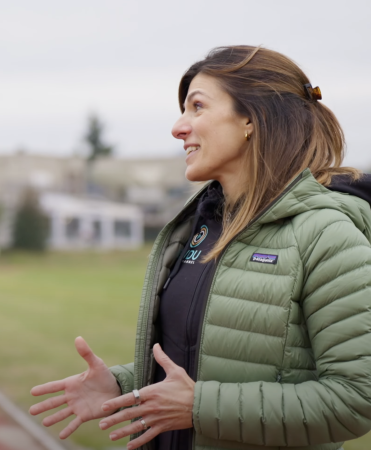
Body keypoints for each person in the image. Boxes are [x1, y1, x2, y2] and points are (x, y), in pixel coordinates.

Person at [29, 45, 371, 450]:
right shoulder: (200, 229)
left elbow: (356, 398)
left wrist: (199, 407)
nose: (178, 127)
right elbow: (202, 361)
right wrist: (126, 383)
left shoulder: (325, 234)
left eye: (197, 107)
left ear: (251, 119)